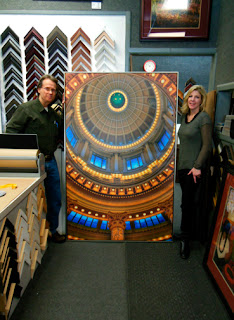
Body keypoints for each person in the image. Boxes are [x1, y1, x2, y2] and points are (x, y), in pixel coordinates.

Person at [6, 74, 66, 243]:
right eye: (47, 89)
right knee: (31, 199)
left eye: (53, 90)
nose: (50, 92)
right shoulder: (26, 109)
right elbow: (10, 133)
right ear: (39, 89)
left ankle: (52, 231)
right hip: (31, 162)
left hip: (50, 160)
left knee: (54, 197)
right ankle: (32, 237)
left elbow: (61, 134)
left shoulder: (53, 113)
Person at [178, 85, 212, 259]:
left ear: (202, 100)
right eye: (190, 97)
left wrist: (197, 166)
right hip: (183, 169)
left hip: (194, 170)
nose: (193, 100)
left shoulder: (203, 118)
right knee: (187, 204)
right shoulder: (185, 117)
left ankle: (186, 242)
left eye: (197, 97)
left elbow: (207, 145)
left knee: (188, 205)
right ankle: (187, 237)